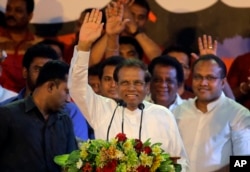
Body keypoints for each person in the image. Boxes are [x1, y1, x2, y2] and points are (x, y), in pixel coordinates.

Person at [68, 8, 188, 170]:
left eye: (137, 83)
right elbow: (76, 87)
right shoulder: (102, 109)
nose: (131, 88)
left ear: (147, 87)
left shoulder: (162, 115)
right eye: (125, 83)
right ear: (116, 86)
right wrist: (84, 46)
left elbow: (181, 161)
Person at [173, 54, 250, 172]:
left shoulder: (238, 115)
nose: (203, 83)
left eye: (210, 78)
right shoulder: (179, 111)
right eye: (198, 77)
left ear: (223, 83)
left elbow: (244, 163)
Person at [0, 44, 89, 141]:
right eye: (38, 69)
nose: (44, 75)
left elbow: (76, 151)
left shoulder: (71, 112)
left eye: (49, 71)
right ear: (25, 72)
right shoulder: (5, 110)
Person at [0, 60, 78, 171]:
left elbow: (72, 164)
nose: (68, 99)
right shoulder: (8, 115)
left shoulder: (65, 120)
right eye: (66, 91)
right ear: (50, 86)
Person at [0, 0, 42, 92]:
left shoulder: (38, 45)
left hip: (26, 101)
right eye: (8, 9)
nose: (11, 14)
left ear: (30, 16)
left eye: (18, 11)